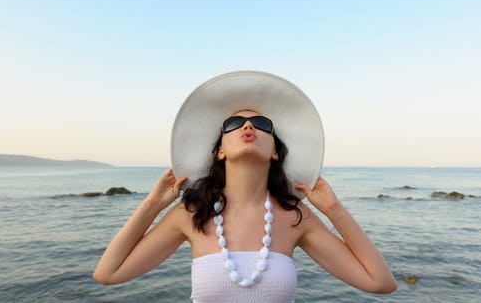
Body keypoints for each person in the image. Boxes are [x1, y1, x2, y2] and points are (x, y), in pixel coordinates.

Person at [93, 71, 397, 302]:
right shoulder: (191, 213)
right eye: (233, 124)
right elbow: (108, 273)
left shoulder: (295, 217)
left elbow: (380, 283)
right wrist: (151, 206)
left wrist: (334, 210)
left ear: (275, 151)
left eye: (262, 124)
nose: (248, 126)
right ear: (220, 151)